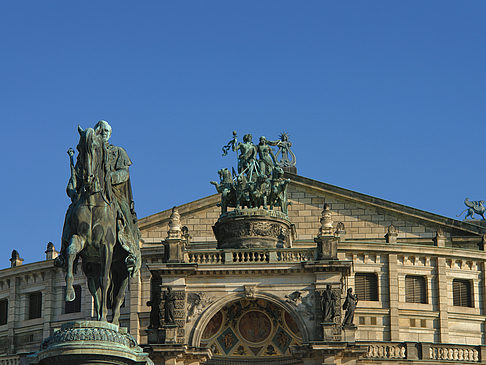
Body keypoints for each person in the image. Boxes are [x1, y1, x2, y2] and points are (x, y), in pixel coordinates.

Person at [94, 120, 142, 275]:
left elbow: (124, 173)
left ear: (109, 134)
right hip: (93, 191)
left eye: (106, 132)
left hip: (113, 192)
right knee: (71, 212)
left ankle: (131, 250)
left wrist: (110, 178)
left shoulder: (118, 152)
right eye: (100, 132)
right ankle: (64, 251)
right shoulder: (90, 153)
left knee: (125, 214)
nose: (103, 134)